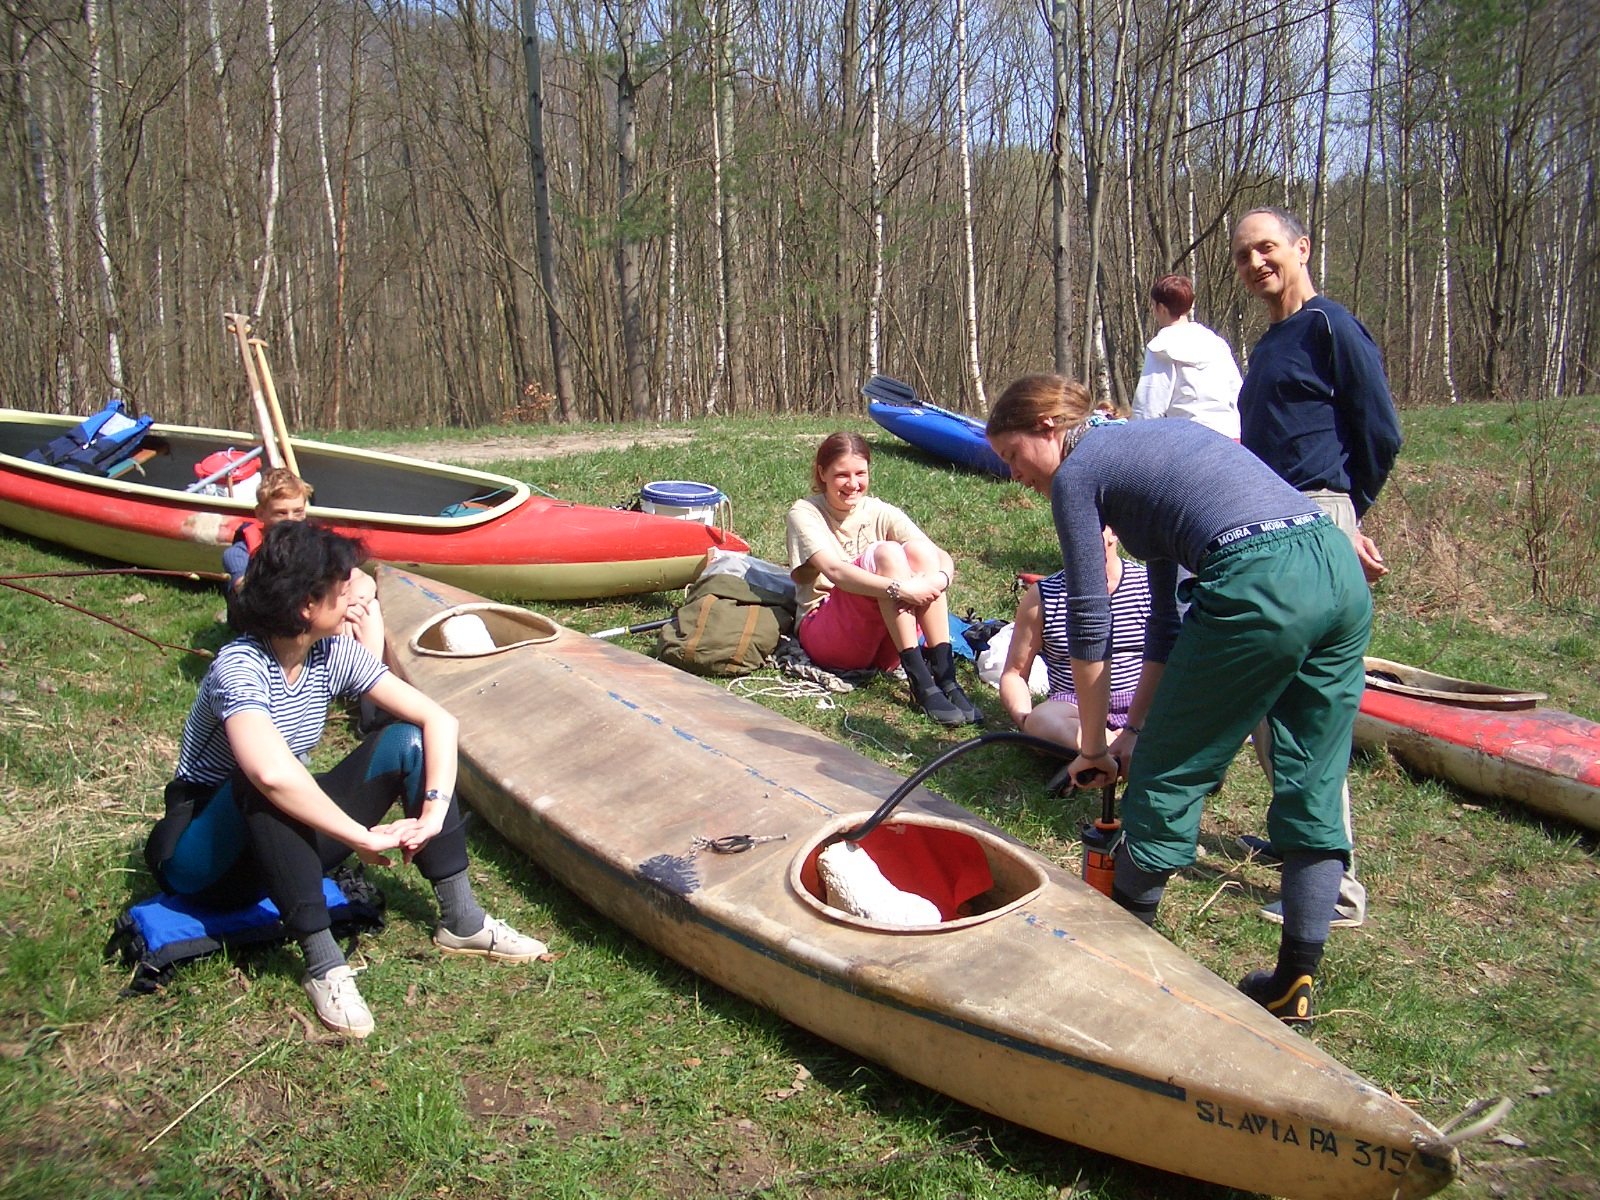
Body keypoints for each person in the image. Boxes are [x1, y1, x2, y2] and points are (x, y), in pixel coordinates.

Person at [986, 375, 1371, 1024]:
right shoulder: (1153, 446)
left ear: (1048, 428)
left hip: (1260, 578)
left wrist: (1094, 747)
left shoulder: (1080, 473)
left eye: (1013, 455)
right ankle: (1293, 984)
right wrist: (1130, 730)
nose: (1015, 475)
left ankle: (1115, 973)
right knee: (1313, 776)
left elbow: (1088, 620)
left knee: (1165, 777)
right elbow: (1163, 625)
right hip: (1335, 565)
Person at [146, 521, 545, 1039]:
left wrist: (431, 813)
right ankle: (324, 966)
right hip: (204, 859)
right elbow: (269, 773)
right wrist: (360, 837)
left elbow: (438, 721)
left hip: (278, 836)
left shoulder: (330, 652)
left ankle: (462, 920)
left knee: (406, 741)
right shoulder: (239, 666)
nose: (356, 592)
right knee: (263, 781)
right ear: (306, 605)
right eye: (343, 585)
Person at [1232, 206, 1403, 927]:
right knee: (1264, 696)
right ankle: (1295, 840)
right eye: (1243, 255)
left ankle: (1335, 886)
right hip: (1267, 521)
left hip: (1313, 518)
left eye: (1267, 247)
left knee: (1307, 708)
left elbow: (1379, 432)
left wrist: (1345, 516)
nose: (1255, 263)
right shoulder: (1270, 341)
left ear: (1301, 248)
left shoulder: (1331, 326)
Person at [786, 432, 981, 727]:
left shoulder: (879, 510)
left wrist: (940, 580)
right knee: (887, 552)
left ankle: (945, 677)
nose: (852, 484)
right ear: (822, 473)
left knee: (920, 551)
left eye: (860, 473)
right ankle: (920, 681)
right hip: (830, 635)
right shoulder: (805, 512)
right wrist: (900, 589)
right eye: (841, 475)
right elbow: (835, 571)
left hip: (887, 646)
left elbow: (938, 554)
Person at [999, 527, 1151, 756]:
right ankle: (1120, 751)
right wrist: (1026, 720)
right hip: (1073, 707)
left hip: (1140, 702)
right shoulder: (1043, 596)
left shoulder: (1148, 586)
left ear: (1114, 533)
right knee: (1042, 719)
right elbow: (1015, 673)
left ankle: (1110, 752)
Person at [224, 469, 382, 658]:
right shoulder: (240, 553)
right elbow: (252, 600)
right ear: (260, 513)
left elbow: (362, 579)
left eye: (297, 512)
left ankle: (369, 668)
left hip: (310, 614)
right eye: (281, 513)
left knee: (368, 607)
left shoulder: (311, 543)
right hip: (271, 627)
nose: (290, 520)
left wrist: (350, 602)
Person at [1131, 274, 1243, 440]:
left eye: (1154, 305)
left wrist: (1134, 440)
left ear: (1161, 308)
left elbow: (1148, 406)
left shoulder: (1161, 347)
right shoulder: (1216, 344)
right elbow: (1238, 392)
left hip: (1190, 441)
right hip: (1229, 437)